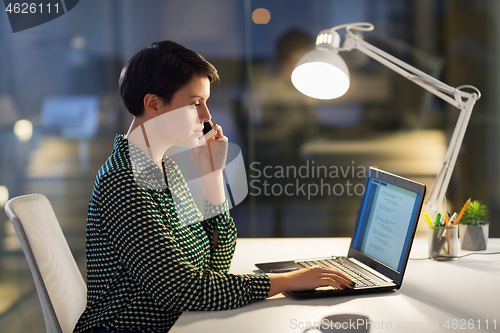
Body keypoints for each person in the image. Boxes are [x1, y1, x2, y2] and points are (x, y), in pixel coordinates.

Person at [73, 40, 353, 333]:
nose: (206, 116)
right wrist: (286, 282)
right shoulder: (123, 181)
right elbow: (180, 289)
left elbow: (215, 265)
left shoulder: (167, 168)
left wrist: (212, 177)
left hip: (182, 323)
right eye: (195, 103)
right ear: (153, 104)